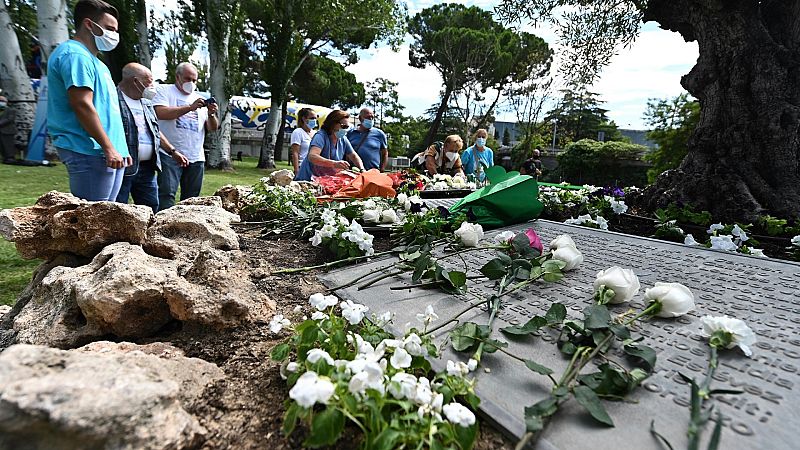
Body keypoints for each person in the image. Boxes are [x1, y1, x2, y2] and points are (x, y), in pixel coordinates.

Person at [47, 0, 130, 201]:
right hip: (88, 149)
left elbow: (108, 109)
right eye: (110, 28)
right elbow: (82, 104)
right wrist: (109, 147)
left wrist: (120, 147)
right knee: (92, 223)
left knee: (105, 218)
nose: (114, 35)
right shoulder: (75, 55)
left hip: (106, 151)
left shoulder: (98, 63)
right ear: (89, 24)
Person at [115, 63, 187, 213]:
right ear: (135, 81)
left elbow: (154, 131)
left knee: (151, 208)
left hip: (147, 168)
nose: (152, 86)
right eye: (148, 82)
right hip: (122, 168)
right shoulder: (112, 100)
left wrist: (173, 151)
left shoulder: (146, 102)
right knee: (117, 209)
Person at [153, 62, 219, 210]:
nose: (192, 83)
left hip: (196, 156)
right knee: (166, 195)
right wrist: (190, 107)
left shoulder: (199, 97)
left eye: (195, 80)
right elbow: (160, 113)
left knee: (192, 199)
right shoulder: (164, 90)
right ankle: (162, 227)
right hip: (169, 154)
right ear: (178, 77)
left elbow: (212, 127)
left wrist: (212, 113)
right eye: (188, 79)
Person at [294, 109, 365, 181]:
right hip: (308, 180)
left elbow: (353, 155)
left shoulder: (343, 139)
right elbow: (312, 156)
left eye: (347, 127)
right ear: (333, 124)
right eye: (343, 126)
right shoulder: (321, 136)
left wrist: (362, 169)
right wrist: (334, 164)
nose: (345, 130)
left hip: (325, 181)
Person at [346, 107, 389, 171]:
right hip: (353, 171)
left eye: (372, 117)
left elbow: (385, 153)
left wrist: (382, 169)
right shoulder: (350, 133)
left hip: (373, 172)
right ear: (360, 118)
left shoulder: (379, 134)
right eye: (368, 117)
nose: (371, 119)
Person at [290, 108, 317, 174]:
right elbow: (295, 153)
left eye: (315, 118)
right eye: (312, 118)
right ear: (304, 119)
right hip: (302, 167)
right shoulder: (298, 132)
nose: (314, 120)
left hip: (315, 168)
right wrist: (296, 170)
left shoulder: (316, 133)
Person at [0, 96, 18, 164]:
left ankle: (10, 158)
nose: (1, 102)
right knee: (2, 145)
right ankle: (4, 157)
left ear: (6, 102)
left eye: (2, 101)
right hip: (1, 131)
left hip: (8, 131)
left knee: (8, 145)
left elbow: (9, 119)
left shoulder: (11, 110)